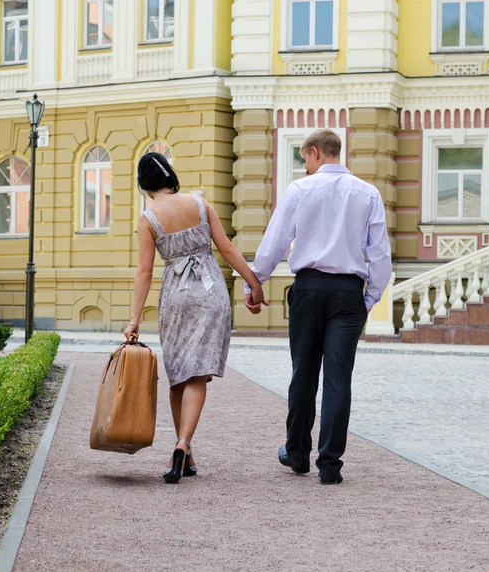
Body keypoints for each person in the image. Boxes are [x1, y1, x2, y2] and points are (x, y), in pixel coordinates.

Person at [244, 129, 392, 485]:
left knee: (304, 373)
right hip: (348, 293)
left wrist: (255, 281)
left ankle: (297, 454)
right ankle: (330, 465)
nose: (305, 167)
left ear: (314, 153)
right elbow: (381, 258)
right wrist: (367, 299)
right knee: (339, 379)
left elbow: (275, 241)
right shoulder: (368, 193)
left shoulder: (300, 190)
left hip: (309, 289)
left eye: (304, 160)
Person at [125, 152, 268, 484]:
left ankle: (183, 448)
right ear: (170, 176)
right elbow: (228, 249)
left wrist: (134, 319)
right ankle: (184, 446)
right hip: (209, 291)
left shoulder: (147, 219)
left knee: (178, 374)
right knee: (197, 374)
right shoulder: (200, 204)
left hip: (176, 296)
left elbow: (144, 272)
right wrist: (254, 284)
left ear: (144, 184)